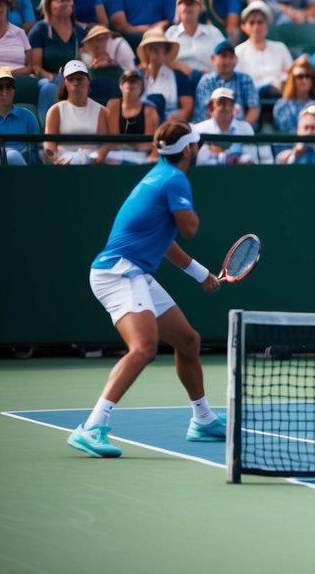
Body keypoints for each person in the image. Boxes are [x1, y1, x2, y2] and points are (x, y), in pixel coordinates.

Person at [68, 119, 226, 458]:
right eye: (193, 145)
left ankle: (203, 419)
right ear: (187, 150)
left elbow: (166, 242)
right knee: (143, 348)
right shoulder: (174, 180)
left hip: (134, 271)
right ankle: (93, 426)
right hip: (119, 273)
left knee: (188, 340)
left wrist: (201, 274)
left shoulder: (158, 176)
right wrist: (188, 210)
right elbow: (189, 229)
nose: (195, 149)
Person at [193, 87, 270, 165]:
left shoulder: (245, 128)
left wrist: (223, 154)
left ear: (233, 107)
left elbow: (251, 158)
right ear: (211, 108)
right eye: (220, 103)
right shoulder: (199, 129)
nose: (225, 107)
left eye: (229, 104)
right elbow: (199, 162)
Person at [192, 41, 260, 126]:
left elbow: (254, 109)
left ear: (236, 59)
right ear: (213, 58)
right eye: (223, 56)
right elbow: (206, 111)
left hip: (240, 133)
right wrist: (223, 131)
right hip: (211, 131)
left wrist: (241, 129)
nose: (227, 61)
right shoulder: (206, 81)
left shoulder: (245, 79)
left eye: (231, 57)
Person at [99, 69, 158, 165]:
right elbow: (114, 139)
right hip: (115, 154)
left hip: (140, 156)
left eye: (135, 81)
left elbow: (147, 144)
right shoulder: (113, 105)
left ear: (141, 87)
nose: (130, 84)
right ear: (120, 85)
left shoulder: (150, 110)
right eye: (126, 81)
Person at [233, 2, 290, 96]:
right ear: (244, 27)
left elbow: (290, 74)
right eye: (251, 23)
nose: (256, 27)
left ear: (267, 24)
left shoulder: (280, 47)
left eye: (260, 22)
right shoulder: (238, 51)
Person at [167, 0, 226, 78]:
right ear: (177, 8)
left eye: (190, 3)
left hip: (211, 81)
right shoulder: (170, 34)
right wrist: (176, 65)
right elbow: (159, 60)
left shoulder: (213, 32)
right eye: (181, 3)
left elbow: (227, 57)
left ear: (201, 8)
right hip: (180, 83)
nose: (185, 6)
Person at [137, 29, 193, 123]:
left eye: (159, 45)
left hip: (170, 123)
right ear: (146, 50)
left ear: (166, 50)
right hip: (143, 124)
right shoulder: (137, 76)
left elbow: (187, 108)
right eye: (151, 46)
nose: (155, 49)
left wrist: (173, 120)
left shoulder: (178, 76)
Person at [0, 68, 39, 166]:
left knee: (12, 156)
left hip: (20, 172)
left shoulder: (28, 116)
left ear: (14, 89)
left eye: (9, 86)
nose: (5, 92)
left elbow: (36, 151)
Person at [272, 58, 315, 140]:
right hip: (288, 147)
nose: (304, 80)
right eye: (300, 76)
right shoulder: (282, 105)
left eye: (308, 76)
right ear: (292, 79)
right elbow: (284, 133)